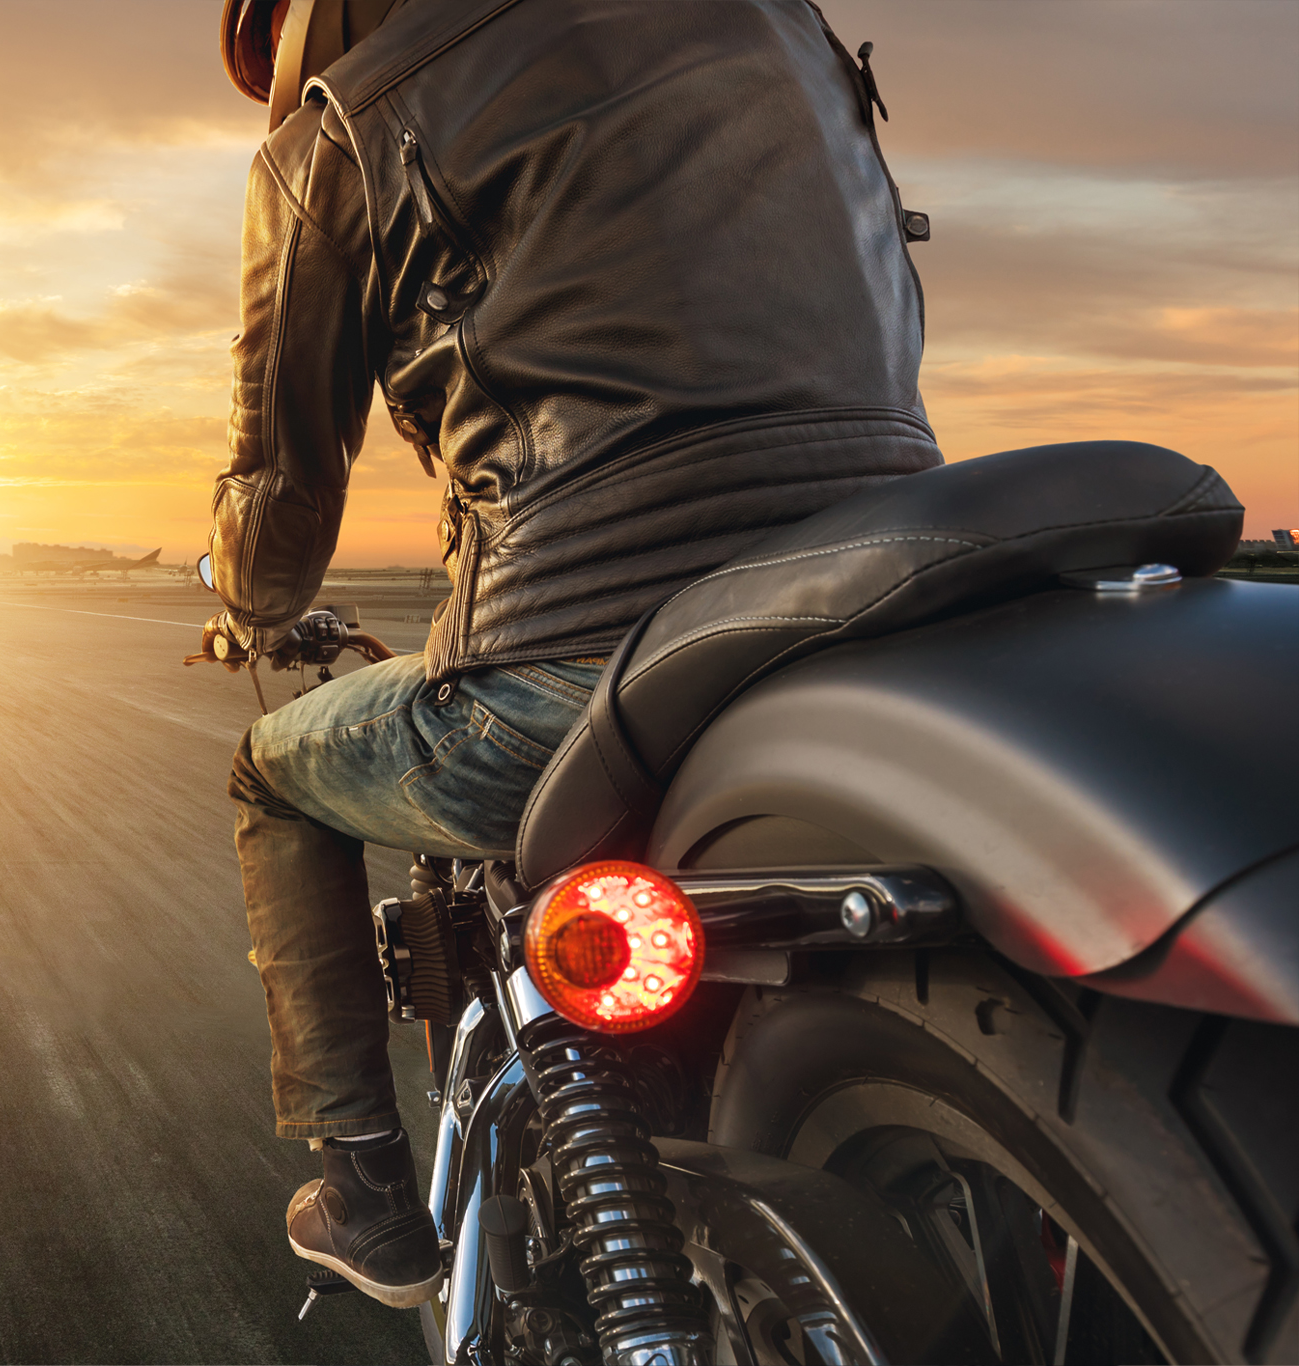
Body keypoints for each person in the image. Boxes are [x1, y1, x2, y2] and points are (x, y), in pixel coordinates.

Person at [204, 0, 939, 1308]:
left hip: (584, 649)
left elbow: (282, 511)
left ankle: (365, 1185)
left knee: (273, 769)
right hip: (878, 589)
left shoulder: (335, 129)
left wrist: (245, 603)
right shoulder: (783, 29)